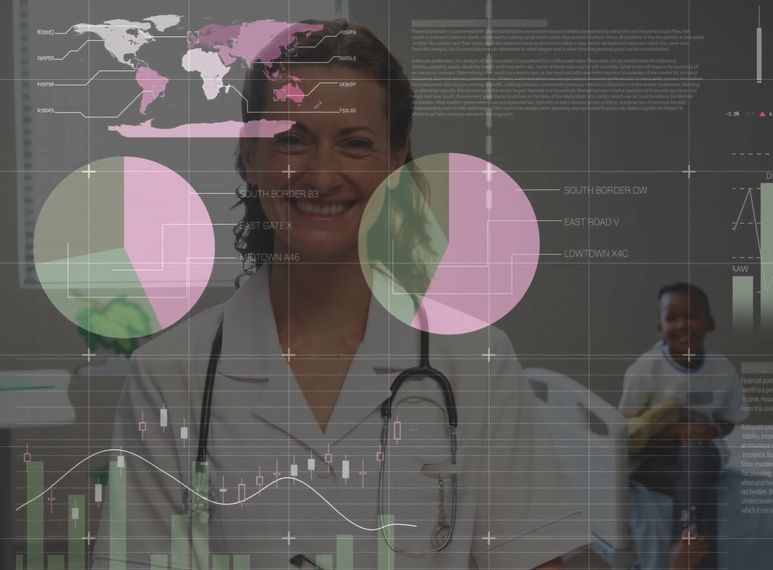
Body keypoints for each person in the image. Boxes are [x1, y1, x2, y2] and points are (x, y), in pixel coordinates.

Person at [90, 20, 587, 569]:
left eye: (355, 144)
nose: (322, 175)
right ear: (249, 157)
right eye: (291, 139)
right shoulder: (172, 375)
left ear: (396, 160)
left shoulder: (475, 362)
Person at [618, 283, 748, 570]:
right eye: (672, 318)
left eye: (692, 316)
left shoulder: (721, 369)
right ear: (659, 327)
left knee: (696, 456)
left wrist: (710, 431)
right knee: (696, 484)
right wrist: (672, 432)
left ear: (710, 323)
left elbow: (730, 418)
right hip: (653, 460)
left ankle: (684, 542)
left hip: (700, 456)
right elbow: (628, 427)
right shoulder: (646, 368)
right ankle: (701, 557)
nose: (682, 325)